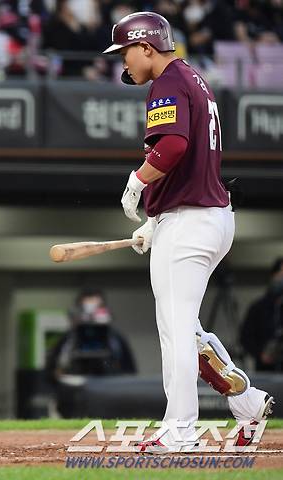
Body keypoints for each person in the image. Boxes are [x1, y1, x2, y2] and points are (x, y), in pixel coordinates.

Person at [103, 12, 274, 454]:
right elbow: (189, 156)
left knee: (176, 329)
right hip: (204, 216)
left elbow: (174, 146)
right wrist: (155, 219)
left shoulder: (167, 82)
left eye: (125, 51)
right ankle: (248, 402)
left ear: (146, 47)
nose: (123, 62)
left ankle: (179, 429)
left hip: (192, 220)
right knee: (186, 329)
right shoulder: (190, 77)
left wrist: (138, 181)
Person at [46, 288, 136, 379]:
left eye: (96, 309)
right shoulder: (68, 340)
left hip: (109, 387)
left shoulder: (116, 339)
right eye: (86, 309)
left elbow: (129, 372)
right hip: (76, 387)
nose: (91, 317)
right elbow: (51, 372)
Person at [241, 258, 283, 371]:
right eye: (280, 275)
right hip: (265, 369)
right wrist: (260, 354)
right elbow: (246, 337)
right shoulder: (258, 308)